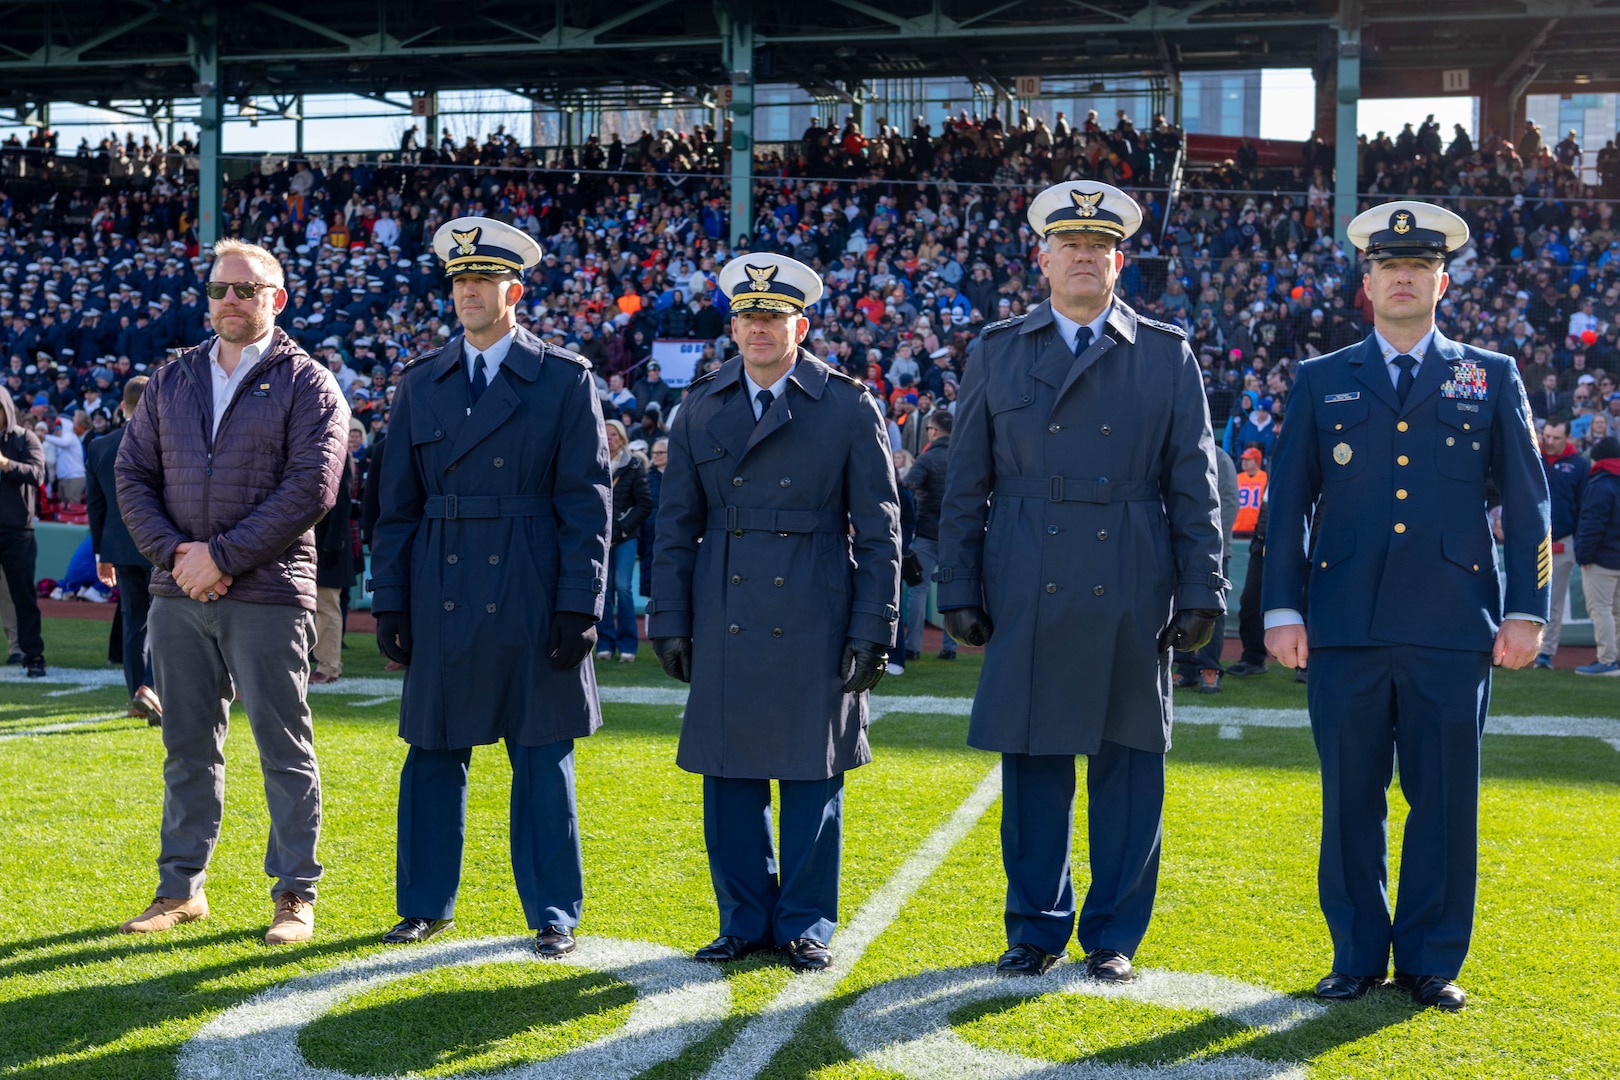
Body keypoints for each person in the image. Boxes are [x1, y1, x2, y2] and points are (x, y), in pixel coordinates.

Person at [1262, 201, 1550, 1011]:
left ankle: (1429, 959)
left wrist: (1528, 609)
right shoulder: (1321, 379)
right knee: (1350, 798)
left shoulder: (1488, 374)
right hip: (1345, 624)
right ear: (1366, 283)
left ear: (1442, 282)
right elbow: (1286, 505)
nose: (1402, 278)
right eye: (1389, 267)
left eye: (1418, 268)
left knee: (1445, 802)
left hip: (1454, 625)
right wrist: (1282, 609)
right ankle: (1354, 954)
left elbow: (1529, 504)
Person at [934, 181, 1226, 981]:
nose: (1085, 257)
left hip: (1133, 567)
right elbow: (966, 480)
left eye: (1099, 247)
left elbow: (1195, 483)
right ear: (1044, 258)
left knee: (1129, 762)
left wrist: (1204, 588)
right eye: (1070, 246)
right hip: (1027, 568)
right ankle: (1033, 928)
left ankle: (1114, 938)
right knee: (1033, 761)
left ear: (1120, 261)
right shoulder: (997, 350)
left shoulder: (1166, 354)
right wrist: (956, 584)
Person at [648, 252, 901, 973]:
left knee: (811, 776)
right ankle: (742, 921)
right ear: (732, 325)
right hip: (723, 599)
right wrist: (668, 619)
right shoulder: (699, 405)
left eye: (774, 317)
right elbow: (674, 527)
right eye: (749, 317)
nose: (760, 329)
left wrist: (873, 627)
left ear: (802, 325)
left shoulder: (849, 406)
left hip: (817, 604)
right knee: (728, 776)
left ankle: (805, 925)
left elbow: (881, 530)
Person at [370, 217, 611, 955]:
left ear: (514, 290)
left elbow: (586, 501)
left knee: (542, 756)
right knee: (434, 753)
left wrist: (581, 602)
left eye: (482, 281)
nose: (468, 292)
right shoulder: (420, 383)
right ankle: (424, 904)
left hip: (534, 586)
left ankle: (553, 912)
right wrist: (390, 602)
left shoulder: (565, 379)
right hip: (440, 581)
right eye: (459, 281)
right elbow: (394, 506)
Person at [115, 238, 350, 945]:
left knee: (283, 747)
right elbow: (132, 477)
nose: (231, 301)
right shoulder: (171, 379)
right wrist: (176, 556)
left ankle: (294, 895)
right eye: (221, 288)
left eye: (248, 290)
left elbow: (311, 490)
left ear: (278, 298)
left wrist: (219, 558)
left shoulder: (309, 383)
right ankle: (180, 890)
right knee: (187, 747)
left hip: (268, 592)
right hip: (177, 592)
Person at [86, 374, 160, 720]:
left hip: (120, 546)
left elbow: (96, 508)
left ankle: (137, 696)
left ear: (121, 406)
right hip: (162, 544)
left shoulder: (99, 446)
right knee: (169, 619)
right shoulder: (165, 440)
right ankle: (151, 688)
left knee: (135, 623)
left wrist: (102, 554)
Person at [595, 419, 652, 662]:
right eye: (606, 434)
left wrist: (621, 526)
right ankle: (604, 643)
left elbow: (644, 503)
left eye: (614, 435)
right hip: (599, 536)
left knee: (623, 587)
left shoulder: (635, 464)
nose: (609, 439)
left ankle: (628, 644)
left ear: (622, 438)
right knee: (602, 591)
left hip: (626, 536)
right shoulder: (593, 462)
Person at [902, 409, 956, 661]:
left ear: (933, 431)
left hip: (926, 530)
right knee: (952, 591)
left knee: (918, 590)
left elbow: (908, 486)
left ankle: (913, 647)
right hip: (955, 534)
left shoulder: (926, 458)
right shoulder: (962, 457)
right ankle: (950, 647)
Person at [1536, 416, 1590, 668]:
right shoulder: (1533, 457)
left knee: (1552, 600)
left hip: (1563, 540)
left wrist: (1579, 541)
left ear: (1568, 438)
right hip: (1530, 538)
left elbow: (1584, 506)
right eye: (1547, 436)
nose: (1550, 442)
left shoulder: (1579, 465)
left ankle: (1545, 653)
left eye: (1556, 438)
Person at [0, 388, 46, 678]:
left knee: (24, 597)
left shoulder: (24, 438)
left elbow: (38, 474)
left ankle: (34, 655)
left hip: (17, 532)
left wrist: (6, 464)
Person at [1574, 436, 1620, 675]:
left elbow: (1592, 525)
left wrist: (1583, 555)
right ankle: (1615, 659)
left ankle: (1607, 660)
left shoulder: (1601, 483)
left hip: (1601, 560)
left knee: (1601, 610)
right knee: (1617, 612)